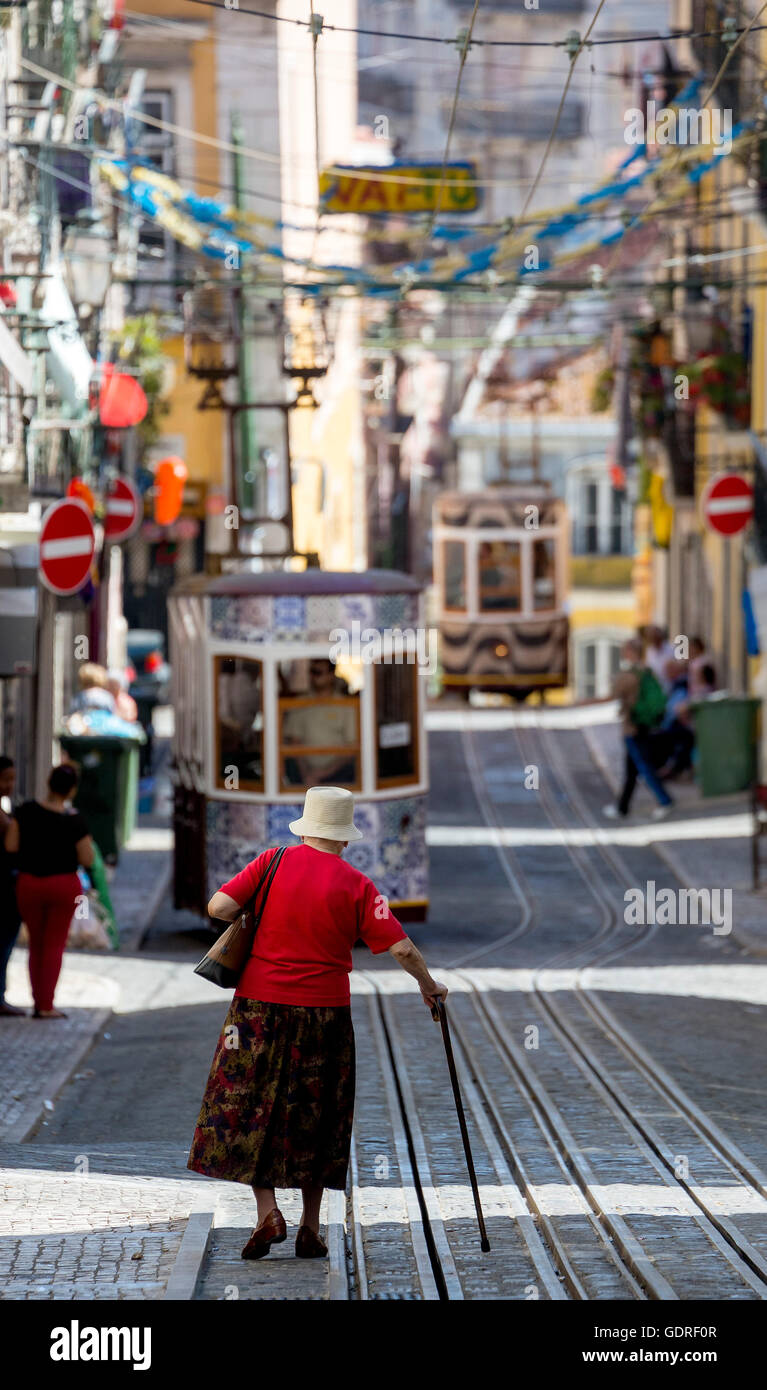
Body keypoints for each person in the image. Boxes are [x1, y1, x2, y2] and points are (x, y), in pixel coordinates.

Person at [187, 784, 447, 1261]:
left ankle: (267, 1212)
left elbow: (218, 908)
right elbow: (403, 948)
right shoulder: (358, 885)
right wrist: (428, 986)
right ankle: (310, 1227)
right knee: (318, 1113)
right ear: (345, 839)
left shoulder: (270, 863)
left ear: (306, 827)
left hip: (257, 1012)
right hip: (326, 1017)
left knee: (250, 1108)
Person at [3, 764, 95, 1018]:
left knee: (36, 943)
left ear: (48, 783)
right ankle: (45, 1005)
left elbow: (10, 845)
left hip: (29, 884)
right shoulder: (74, 820)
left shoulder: (26, 811)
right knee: (53, 945)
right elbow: (87, 859)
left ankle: (37, 1001)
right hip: (63, 886)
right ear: (72, 790)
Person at [602, 637, 674, 821]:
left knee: (643, 767)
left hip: (633, 727)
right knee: (631, 770)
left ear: (630, 652)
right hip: (644, 724)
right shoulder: (648, 671)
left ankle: (664, 800)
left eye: (625, 650)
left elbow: (612, 695)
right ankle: (622, 807)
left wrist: (582, 702)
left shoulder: (629, 675)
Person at [281, 659, 358, 786]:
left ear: (331, 675)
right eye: (311, 671)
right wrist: (307, 774)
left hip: (339, 773)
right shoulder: (299, 703)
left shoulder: (346, 705)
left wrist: (323, 773)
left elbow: (351, 748)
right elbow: (295, 742)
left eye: (318, 672)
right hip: (303, 774)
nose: (312, 676)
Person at [0, 756, 23, 1016]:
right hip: (4, 888)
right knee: (3, 942)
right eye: (5, 779)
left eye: (12, 779)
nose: (10, 785)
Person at [643, 625, 675, 691]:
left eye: (655, 635)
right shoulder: (649, 651)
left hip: (671, 688)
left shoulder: (672, 649)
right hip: (656, 690)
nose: (653, 638)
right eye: (650, 636)